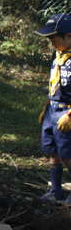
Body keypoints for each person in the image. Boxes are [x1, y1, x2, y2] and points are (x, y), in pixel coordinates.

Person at [35, 13, 71, 204]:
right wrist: (47, 107)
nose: (51, 43)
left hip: (67, 113)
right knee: (53, 151)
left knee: (67, 153)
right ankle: (56, 190)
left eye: (54, 39)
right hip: (52, 110)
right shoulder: (58, 56)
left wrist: (69, 115)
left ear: (69, 36)